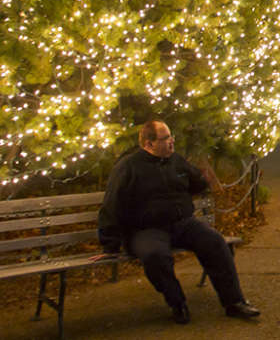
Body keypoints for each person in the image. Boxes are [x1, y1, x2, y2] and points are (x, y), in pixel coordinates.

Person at [96, 120, 260, 324]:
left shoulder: (175, 160)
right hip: (146, 229)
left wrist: (197, 186)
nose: (172, 142)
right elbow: (112, 204)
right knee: (156, 256)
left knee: (215, 242)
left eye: (171, 136)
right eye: (165, 139)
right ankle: (177, 303)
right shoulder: (128, 167)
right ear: (149, 144)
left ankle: (234, 302)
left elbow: (195, 183)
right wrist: (109, 243)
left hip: (182, 224)